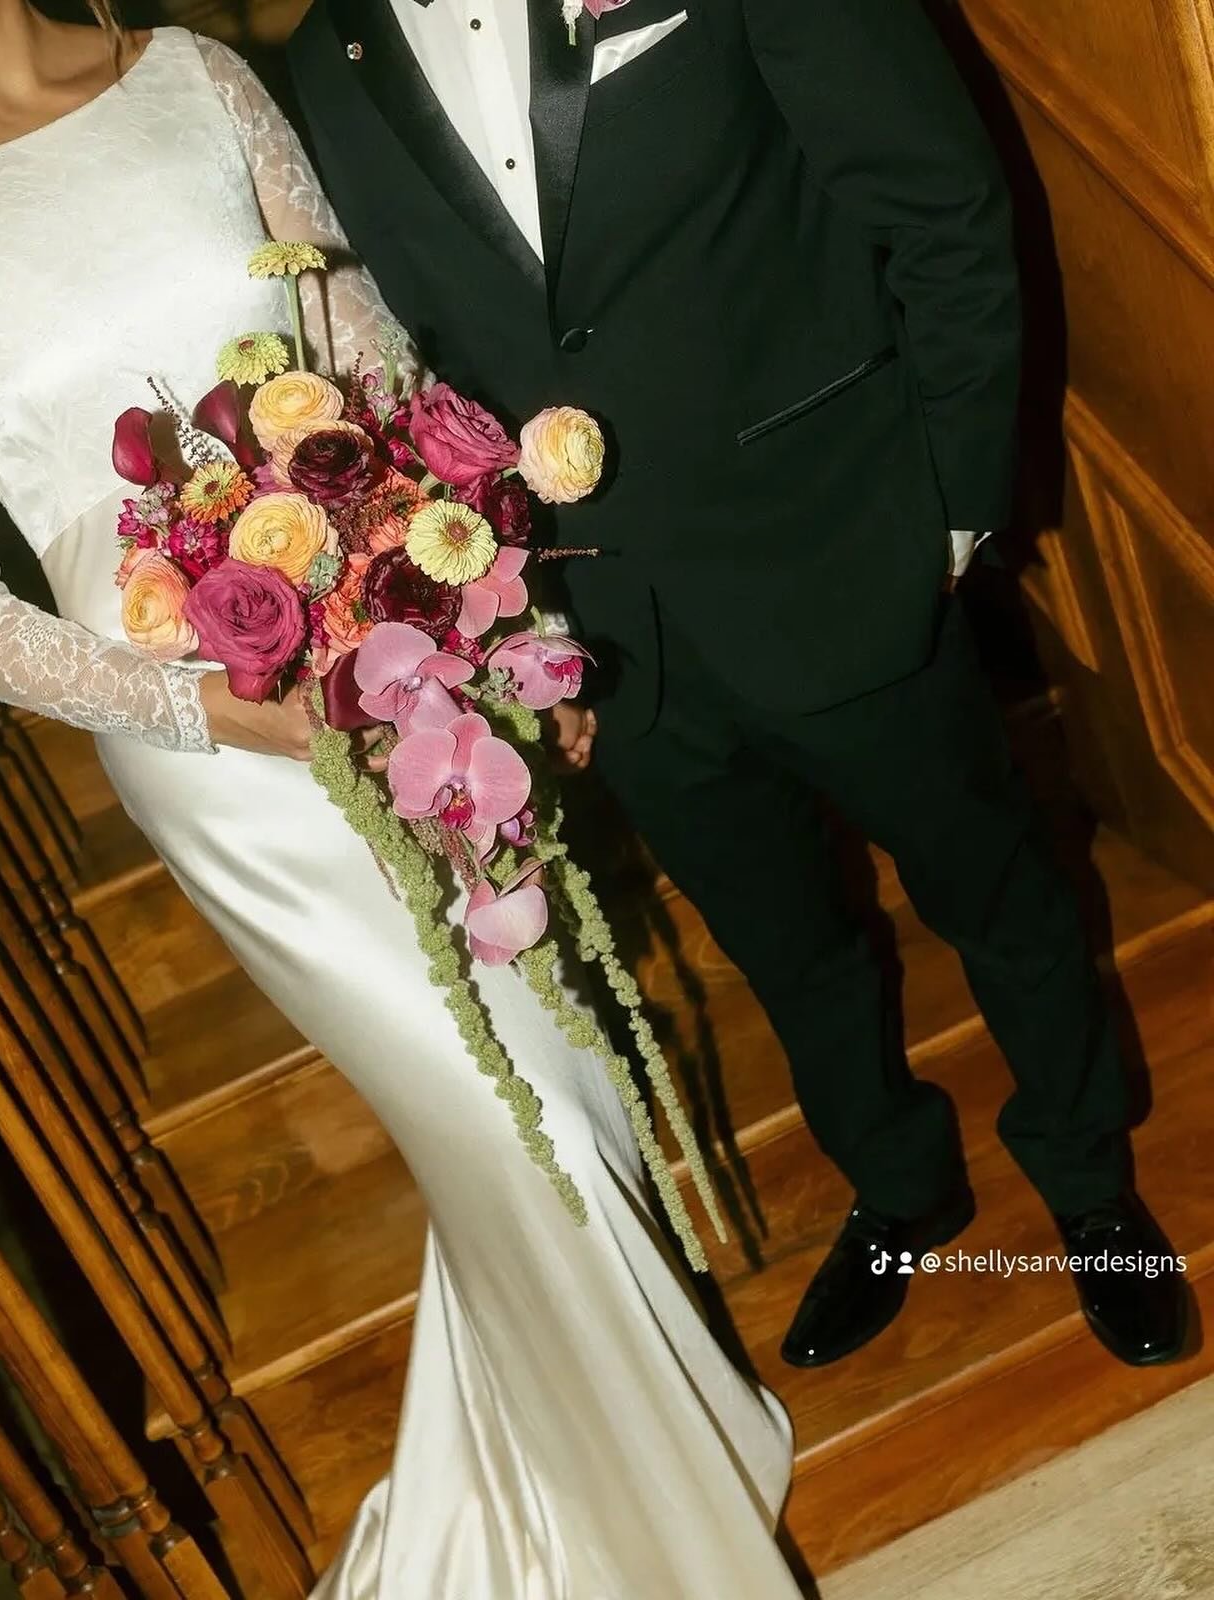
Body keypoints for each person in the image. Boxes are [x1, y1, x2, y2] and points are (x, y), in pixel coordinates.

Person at [0, 6, 808, 1596]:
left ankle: (598, 1450)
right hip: (215, 746)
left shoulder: (189, 72)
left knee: (555, 1057)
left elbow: (366, 351)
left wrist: (474, 600)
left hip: (405, 646)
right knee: (492, 1103)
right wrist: (205, 708)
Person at [288, 0, 1188, 1371]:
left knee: (993, 882)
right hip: (604, 618)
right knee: (784, 944)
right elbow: (423, 351)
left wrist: (947, 513)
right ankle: (899, 1189)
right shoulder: (326, 55)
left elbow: (942, 205)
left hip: (839, 538)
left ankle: (1087, 1180)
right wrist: (501, 628)